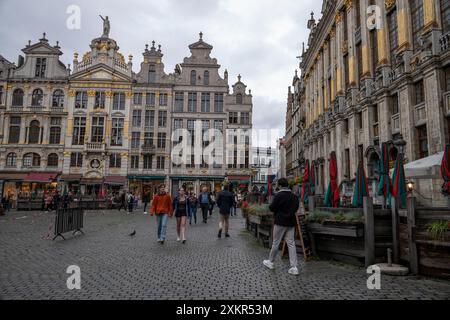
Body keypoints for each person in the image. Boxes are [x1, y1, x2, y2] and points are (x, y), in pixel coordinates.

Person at [263, 178, 300, 276]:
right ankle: (294, 267)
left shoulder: (279, 195)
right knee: (291, 243)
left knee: (276, 242)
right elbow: (296, 208)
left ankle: (271, 262)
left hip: (280, 222)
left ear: (279, 185)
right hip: (291, 222)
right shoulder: (294, 196)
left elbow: (272, 207)